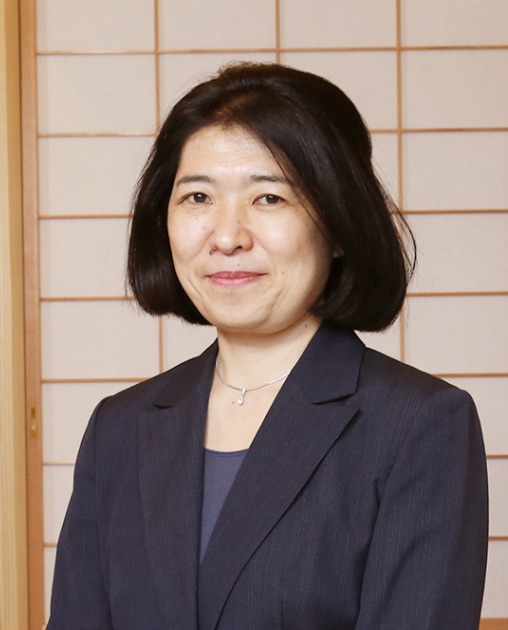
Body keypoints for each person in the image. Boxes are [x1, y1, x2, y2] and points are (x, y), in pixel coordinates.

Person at [47, 62, 488, 630]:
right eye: (198, 197)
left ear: (338, 225)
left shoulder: (419, 423)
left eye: (270, 198)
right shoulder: (120, 427)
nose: (227, 236)